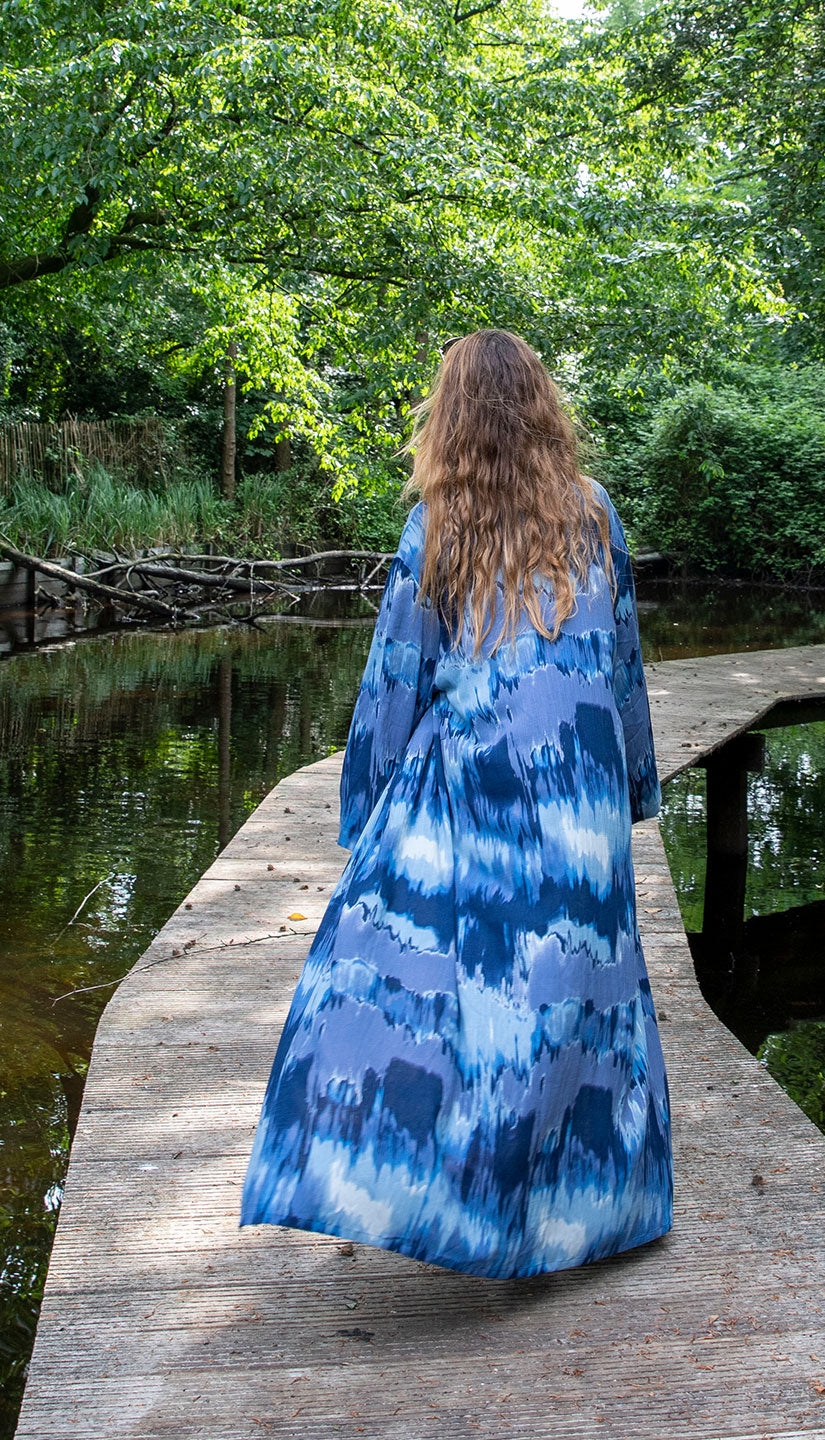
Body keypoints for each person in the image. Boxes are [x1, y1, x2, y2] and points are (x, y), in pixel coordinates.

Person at [239, 329, 673, 1279]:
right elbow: (625, 667)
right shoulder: (595, 514)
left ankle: (460, 1201)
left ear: (452, 418)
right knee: (579, 995)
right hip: (580, 795)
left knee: (437, 987)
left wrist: (366, 818)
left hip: (477, 789)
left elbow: (397, 679)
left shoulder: (436, 527)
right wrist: (633, 788)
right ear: (544, 410)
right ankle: (593, 1205)